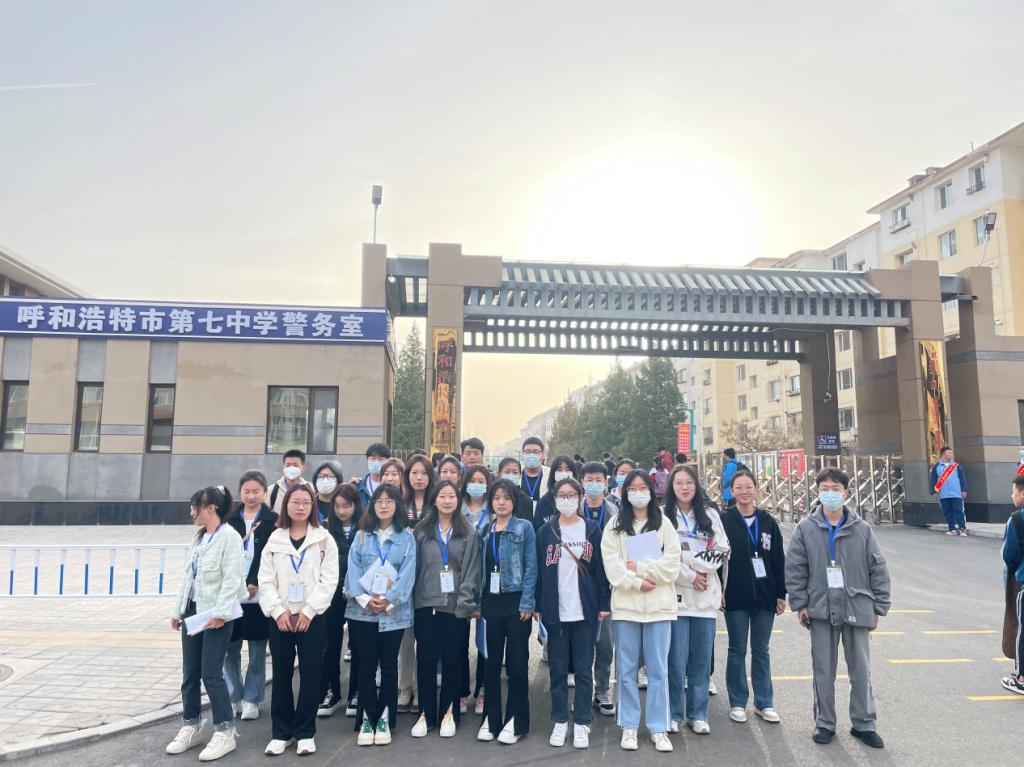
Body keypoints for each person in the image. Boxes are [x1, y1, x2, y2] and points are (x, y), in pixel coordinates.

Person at [786, 468, 891, 749]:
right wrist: (800, 603)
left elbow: (878, 568)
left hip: (857, 605)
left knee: (861, 670)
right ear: (817, 492)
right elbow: (795, 568)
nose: (830, 493)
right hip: (820, 607)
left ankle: (864, 724)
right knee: (823, 670)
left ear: (846, 493)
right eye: (824, 489)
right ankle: (825, 723)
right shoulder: (805, 528)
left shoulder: (862, 529)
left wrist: (879, 606)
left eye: (835, 489)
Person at [600, 470, 681, 753]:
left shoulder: (663, 523)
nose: (637, 493)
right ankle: (629, 725)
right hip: (627, 608)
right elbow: (613, 568)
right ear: (624, 493)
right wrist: (637, 583)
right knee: (626, 669)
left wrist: (642, 569)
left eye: (642, 487)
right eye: (632, 488)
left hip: (659, 608)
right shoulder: (615, 526)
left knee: (658, 670)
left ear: (651, 490)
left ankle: (659, 727)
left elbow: (672, 565)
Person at [258, 484, 339, 756]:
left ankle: (305, 732)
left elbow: (329, 580)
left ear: (313, 506)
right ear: (286, 505)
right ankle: (281, 732)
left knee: (311, 674)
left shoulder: (324, 539)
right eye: (295, 502)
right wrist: (277, 611)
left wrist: (309, 611)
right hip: (280, 617)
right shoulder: (275, 539)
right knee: (281, 674)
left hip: (311, 618)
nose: (301, 507)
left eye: (306, 502)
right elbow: (265, 580)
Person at [166, 486, 245, 762]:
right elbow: (188, 577)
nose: (191, 513)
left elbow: (232, 578)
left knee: (211, 672)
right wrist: (178, 611)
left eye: (195, 507)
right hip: (194, 612)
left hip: (216, 615)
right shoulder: (199, 537)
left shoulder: (229, 537)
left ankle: (225, 730)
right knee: (190, 672)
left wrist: (221, 614)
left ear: (211, 508)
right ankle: (191, 724)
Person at [536, 477, 610, 749]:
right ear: (554, 499)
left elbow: (600, 570)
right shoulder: (546, 531)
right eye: (561, 495)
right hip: (555, 611)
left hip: (585, 611)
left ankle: (581, 721)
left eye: (571, 495)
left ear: (580, 498)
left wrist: (603, 604)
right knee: (557, 669)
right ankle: (559, 720)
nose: (566, 500)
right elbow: (539, 572)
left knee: (583, 669)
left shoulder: (592, 529)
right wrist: (538, 605)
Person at [346, 483, 417, 746]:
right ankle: (367, 718)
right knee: (366, 666)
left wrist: (388, 600)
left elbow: (408, 573)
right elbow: (352, 571)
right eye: (379, 501)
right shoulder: (361, 536)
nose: (384, 505)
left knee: (389, 666)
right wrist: (366, 600)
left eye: (389, 500)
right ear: (372, 505)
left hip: (393, 613)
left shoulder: (407, 539)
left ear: (398, 506)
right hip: (362, 613)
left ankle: (385, 718)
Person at [411, 480, 482, 737]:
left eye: (452, 496)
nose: (447, 501)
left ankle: (449, 712)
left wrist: (465, 603)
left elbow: (472, 570)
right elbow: (414, 568)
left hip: (455, 607)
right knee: (426, 659)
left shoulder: (468, 532)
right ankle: (426, 713)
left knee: (453, 660)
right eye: (442, 496)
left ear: (458, 500)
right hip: (425, 604)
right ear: (434, 499)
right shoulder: (422, 531)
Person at [663, 464, 729, 736]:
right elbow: (663, 557)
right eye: (679, 482)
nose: (685, 487)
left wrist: (698, 567)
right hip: (676, 597)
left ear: (697, 485)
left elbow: (723, 549)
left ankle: (698, 714)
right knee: (675, 661)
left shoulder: (710, 514)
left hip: (705, 596)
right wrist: (691, 574)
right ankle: (674, 713)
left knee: (701, 662)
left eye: (689, 482)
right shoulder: (663, 516)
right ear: (671, 486)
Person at [474, 478, 537, 745]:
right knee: (490, 664)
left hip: (517, 603)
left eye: (506, 498)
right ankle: (491, 719)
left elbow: (531, 567)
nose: (501, 503)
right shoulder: (485, 530)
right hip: (490, 604)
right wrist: (478, 603)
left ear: (514, 502)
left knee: (517, 664)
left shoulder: (524, 528)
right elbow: (480, 570)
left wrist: (527, 602)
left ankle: (516, 720)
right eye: (497, 498)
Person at [720, 469, 786, 725]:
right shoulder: (725, 520)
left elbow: (778, 559)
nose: (744, 491)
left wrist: (780, 593)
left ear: (756, 489)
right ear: (732, 491)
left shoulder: (767, 521)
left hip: (765, 596)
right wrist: (719, 590)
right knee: (737, 649)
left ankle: (764, 702)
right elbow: (717, 559)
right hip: (735, 595)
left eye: (748, 486)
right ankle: (737, 702)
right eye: (739, 487)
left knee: (761, 650)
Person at [224, 471, 278, 722]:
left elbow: (272, 555)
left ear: (264, 492)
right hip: (231, 594)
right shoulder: (229, 519)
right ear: (240, 492)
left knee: (257, 650)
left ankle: (252, 698)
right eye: (246, 491)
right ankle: (233, 695)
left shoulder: (273, 521)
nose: (251, 496)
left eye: (256, 491)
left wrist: (255, 580)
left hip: (258, 596)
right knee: (229, 648)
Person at [318, 485, 362, 718]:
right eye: (338, 506)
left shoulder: (365, 528)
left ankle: (356, 692)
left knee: (359, 644)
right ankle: (330, 692)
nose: (342, 511)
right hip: (331, 592)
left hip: (358, 593)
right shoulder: (325, 529)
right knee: (329, 644)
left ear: (356, 505)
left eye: (347, 506)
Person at [578, 461, 617, 717]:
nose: (594, 484)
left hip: (607, 585)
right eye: (589, 479)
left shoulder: (616, 512)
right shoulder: (572, 509)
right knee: (580, 644)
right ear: (582, 482)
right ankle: (582, 693)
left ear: (605, 482)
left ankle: (601, 690)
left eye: (598, 480)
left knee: (604, 644)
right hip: (578, 585)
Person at [460, 463, 493, 713]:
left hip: (488, 582)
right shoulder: (456, 509)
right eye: (473, 480)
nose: (477, 485)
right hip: (459, 582)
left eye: (482, 481)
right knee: (458, 641)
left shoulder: (493, 510)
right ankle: (461, 691)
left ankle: (482, 690)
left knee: (484, 642)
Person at [1001, 476, 1024, 694]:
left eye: (1013, 491)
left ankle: (1021, 678)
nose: (1012, 496)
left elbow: (1010, 555)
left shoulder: (1016, 519)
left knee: (1022, 630)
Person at [930, 446, 969, 536]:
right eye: (949, 453)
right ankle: (952, 529)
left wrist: (964, 490)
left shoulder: (956, 466)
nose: (951, 454)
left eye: (951, 453)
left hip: (956, 493)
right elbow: (933, 480)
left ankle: (962, 529)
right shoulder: (936, 467)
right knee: (947, 512)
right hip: (943, 494)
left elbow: (962, 479)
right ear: (943, 455)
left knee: (959, 511)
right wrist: (934, 491)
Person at [532, 455, 578, 530]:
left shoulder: (580, 500)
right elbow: (538, 529)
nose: (563, 473)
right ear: (553, 473)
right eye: (559, 470)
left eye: (567, 470)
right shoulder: (544, 502)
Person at [267, 449, 312, 515]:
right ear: (283, 467)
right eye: (288, 465)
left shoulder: (311, 489)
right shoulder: (271, 490)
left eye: (295, 465)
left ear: (303, 467)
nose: (291, 468)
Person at [520, 437, 549, 514]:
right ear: (522, 454)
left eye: (536, 452)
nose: (531, 455)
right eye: (528, 452)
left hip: (544, 517)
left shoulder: (550, 474)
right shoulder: (516, 473)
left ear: (543, 455)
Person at [358, 442, 392, 508]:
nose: (376, 462)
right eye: (373, 458)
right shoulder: (359, 486)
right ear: (367, 460)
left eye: (381, 459)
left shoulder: (392, 485)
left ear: (388, 461)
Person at [403, 454, 435, 523]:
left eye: (424, 473)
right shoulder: (400, 503)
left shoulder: (437, 502)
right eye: (414, 473)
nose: (419, 477)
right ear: (408, 475)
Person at [312, 460, 343, 527]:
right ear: (315, 481)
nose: (325, 480)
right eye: (321, 476)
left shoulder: (344, 506)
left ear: (338, 481)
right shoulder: (309, 505)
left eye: (331, 476)